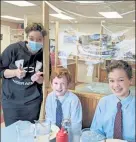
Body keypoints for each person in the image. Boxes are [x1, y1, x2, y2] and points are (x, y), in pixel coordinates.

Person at [0, 23, 51, 126]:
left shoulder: (44, 55)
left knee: (31, 132)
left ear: (43, 40)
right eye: (31, 38)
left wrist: (38, 79)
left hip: (32, 102)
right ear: (26, 37)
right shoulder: (13, 49)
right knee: (12, 131)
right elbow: (1, 70)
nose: (35, 42)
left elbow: (45, 80)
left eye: (39, 39)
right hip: (11, 100)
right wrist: (15, 72)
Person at [90, 60, 135, 141]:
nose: (116, 85)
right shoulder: (104, 102)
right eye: (112, 81)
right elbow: (95, 132)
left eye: (121, 80)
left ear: (130, 80)